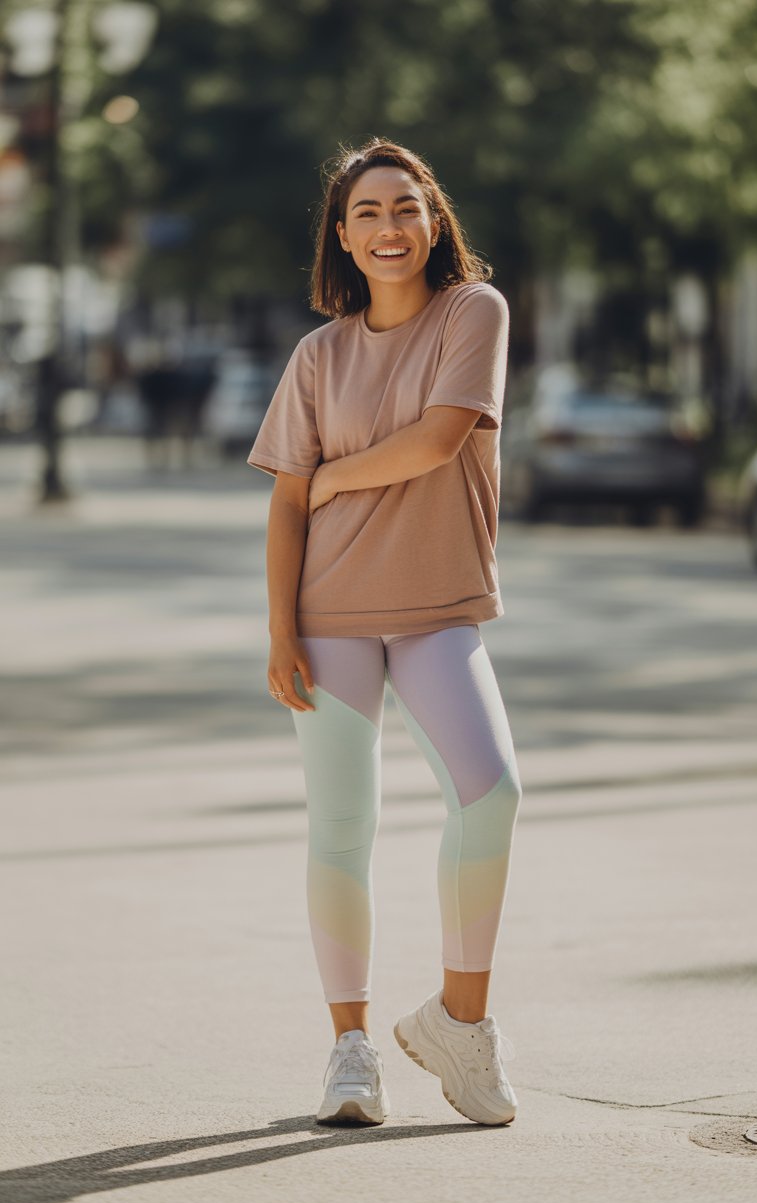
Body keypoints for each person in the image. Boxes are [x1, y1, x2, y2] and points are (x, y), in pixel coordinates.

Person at [247, 137, 522, 1128]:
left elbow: (441, 437)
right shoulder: (318, 355)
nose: (388, 227)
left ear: (434, 220)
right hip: (328, 616)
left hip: (438, 603)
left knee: (492, 791)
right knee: (341, 825)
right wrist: (280, 630)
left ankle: (461, 1023)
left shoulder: (473, 312)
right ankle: (351, 1048)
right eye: (366, 213)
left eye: (405, 207)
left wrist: (327, 476)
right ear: (343, 237)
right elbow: (284, 510)